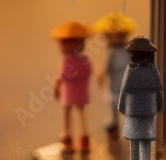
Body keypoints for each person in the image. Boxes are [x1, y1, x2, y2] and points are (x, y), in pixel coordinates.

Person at [117, 35, 163, 160]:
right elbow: (158, 91)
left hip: (133, 110)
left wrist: (121, 106)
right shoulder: (153, 71)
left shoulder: (131, 70)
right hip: (149, 110)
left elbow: (124, 90)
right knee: (146, 139)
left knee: (134, 139)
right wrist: (159, 106)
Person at [50, 21, 93, 151]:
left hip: (68, 92)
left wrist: (56, 85)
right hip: (81, 91)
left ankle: (67, 136)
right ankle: (84, 137)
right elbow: (88, 73)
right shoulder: (86, 58)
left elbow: (62, 76)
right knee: (81, 113)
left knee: (67, 113)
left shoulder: (66, 59)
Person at [94, 12, 138, 135]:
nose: (114, 38)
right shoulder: (112, 51)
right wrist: (102, 75)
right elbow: (108, 66)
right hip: (115, 82)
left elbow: (133, 63)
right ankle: (114, 123)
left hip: (127, 80)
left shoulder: (129, 50)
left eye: (117, 35)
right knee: (114, 103)